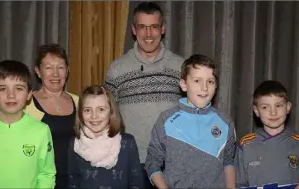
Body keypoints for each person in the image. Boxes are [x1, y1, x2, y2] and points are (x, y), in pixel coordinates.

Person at [104, 2, 184, 186]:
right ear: (134, 30)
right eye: (142, 27)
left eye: (154, 27)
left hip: (171, 163)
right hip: (130, 162)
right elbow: (107, 116)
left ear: (162, 29)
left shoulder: (180, 67)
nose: (148, 34)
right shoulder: (116, 69)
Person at [145, 54, 236, 188]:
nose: (204, 88)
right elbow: (152, 162)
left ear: (216, 86)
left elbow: (228, 163)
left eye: (210, 81)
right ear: (183, 85)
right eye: (197, 81)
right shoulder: (166, 119)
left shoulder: (225, 122)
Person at [0, 60, 56, 188]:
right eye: (2, 89)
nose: (11, 95)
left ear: (29, 94)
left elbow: (46, 175)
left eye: (19, 88)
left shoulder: (41, 131)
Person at [235, 80, 299, 189]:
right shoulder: (245, 145)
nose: (273, 112)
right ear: (256, 111)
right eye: (265, 107)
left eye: (278, 105)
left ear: (288, 107)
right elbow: (237, 183)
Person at [67, 85, 144, 189]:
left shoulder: (127, 143)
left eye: (101, 109)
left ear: (111, 112)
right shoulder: (75, 144)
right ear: (80, 114)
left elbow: (136, 183)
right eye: (87, 110)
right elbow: (73, 183)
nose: (94, 116)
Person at [25, 43, 79, 189]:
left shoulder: (80, 102)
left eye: (60, 67)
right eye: (48, 68)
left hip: (76, 180)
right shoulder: (26, 105)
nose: (55, 74)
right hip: (40, 182)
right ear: (38, 71)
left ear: (67, 71)